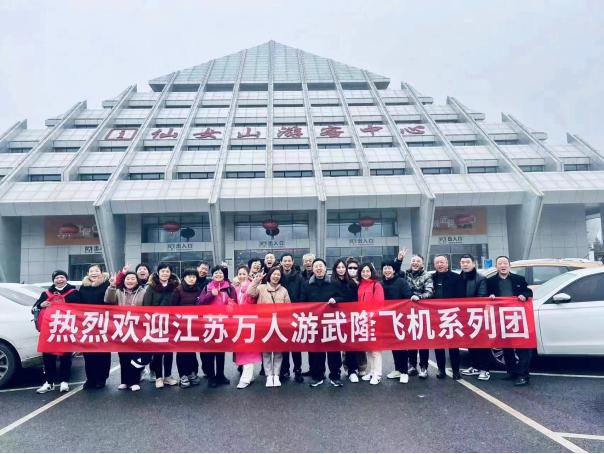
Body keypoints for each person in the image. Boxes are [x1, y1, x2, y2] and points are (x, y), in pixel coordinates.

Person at [486, 256, 533, 386]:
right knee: (506, 346)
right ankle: (512, 372)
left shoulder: (519, 279)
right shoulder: (490, 281)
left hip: (517, 317)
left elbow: (528, 292)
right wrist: (490, 296)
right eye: (500, 263)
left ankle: (523, 375)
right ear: (496, 266)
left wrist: (524, 295)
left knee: (522, 347)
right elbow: (485, 296)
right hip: (500, 318)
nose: (503, 265)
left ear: (509, 265)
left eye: (505, 263)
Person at [34, 270, 81, 394]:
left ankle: (65, 381)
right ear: (53, 280)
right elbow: (35, 307)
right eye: (57, 278)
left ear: (66, 279)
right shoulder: (46, 293)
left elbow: (81, 309)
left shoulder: (74, 293)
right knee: (48, 357)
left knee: (66, 357)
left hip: (66, 330)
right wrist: (41, 304)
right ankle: (49, 382)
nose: (59, 280)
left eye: (62, 277)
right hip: (50, 331)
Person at [300, 258, 344, 387]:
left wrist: (335, 300)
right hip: (315, 323)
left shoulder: (334, 282)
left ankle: (335, 376)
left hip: (331, 323)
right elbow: (302, 301)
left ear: (325, 268)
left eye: (321, 266)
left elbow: (343, 297)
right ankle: (317, 376)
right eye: (316, 266)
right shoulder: (307, 284)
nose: (319, 268)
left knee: (333, 352)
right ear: (312, 269)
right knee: (316, 352)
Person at [247, 267, 291, 387]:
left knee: (278, 352)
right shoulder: (261, 288)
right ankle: (269, 376)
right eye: (274, 274)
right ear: (269, 275)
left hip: (279, 325)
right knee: (266, 352)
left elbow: (289, 307)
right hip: (264, 324)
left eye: (278, 275)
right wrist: (256, 280)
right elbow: (250, 292)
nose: (276, 277)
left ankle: (276, 375)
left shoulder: (284, 290)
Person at [105, 271, 146, 392]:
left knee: (135, 356)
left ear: (137, 281)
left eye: (133, 278)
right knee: (123, 355)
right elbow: (108, 300)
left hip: (137, 328)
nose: (130, 281)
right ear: (124, 281)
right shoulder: (118, 291)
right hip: (121, 327)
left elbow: (148, 307)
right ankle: (124, 381)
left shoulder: (143, 292)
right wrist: (112, 286)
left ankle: (134, 381)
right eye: (128, 278)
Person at [143, 262, 180, 389]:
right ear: (158, 272)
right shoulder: (151, 287)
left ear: (170, 273)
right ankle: (158, 377)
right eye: (163, 271)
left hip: (170, 323)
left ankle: (168, 376)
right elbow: (146, 305)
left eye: (167, 271)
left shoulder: (175, 286)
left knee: (169, 352)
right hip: (156, 323)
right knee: (158, 352)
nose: (165, 273)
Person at [198, 264, 235, 388]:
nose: (218, 275)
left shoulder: (229, 288)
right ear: (212, 275)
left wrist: (232, 305)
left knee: (221, 352)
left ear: (224, 275)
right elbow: (200, 303)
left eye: (220, 273)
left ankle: (220, 375)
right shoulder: (207, 287)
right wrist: (211, 295)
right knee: (209, 352)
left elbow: (235, 302)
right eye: (216, 273)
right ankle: (211, 376)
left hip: (224, 324)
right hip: (209, 324)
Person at [78, 264, 112, 389]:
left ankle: (101, 378)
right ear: (88, 273)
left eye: (97, 270)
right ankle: (90, 379)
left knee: (103, 352)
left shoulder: (107, 284)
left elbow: (111, 301)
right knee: (88, 353)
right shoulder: (84, 287)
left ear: (101, 272)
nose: (94, 273)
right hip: (88, 324)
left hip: (103, 323)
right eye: (91, 271)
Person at [458, 254, 491, 381]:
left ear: (473, 263)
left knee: (482, 343)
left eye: (467, 262)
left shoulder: (481, 278)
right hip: (463, 315)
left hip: (477, 315)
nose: (465, 264)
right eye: (462, 262)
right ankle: (475, 366)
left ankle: (485, 370)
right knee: (470, 342)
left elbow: (482, 297)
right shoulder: (458, 277)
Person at [432, 255, 465, 380]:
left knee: (453, 345)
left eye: (442, 262)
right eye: (437, 263)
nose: (440, 265)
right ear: (434, 265)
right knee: (438, 345)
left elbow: (461, 296)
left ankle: (456, 371)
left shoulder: (456, 277)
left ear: (447, 263)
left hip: (452, 315)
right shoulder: (431, 278)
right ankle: (441, 370)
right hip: (435, 315)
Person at [381, 260, 414, 384]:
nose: (387, 270)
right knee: (394, 345)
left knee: (402, 345)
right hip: (387, 319)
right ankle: (398, 370)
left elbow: (408, 296)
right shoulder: (380, 284)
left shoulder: (401, 282)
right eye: (385, 268)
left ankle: (404, 372)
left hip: (401, 318)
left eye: (389, 268)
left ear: (394, 270)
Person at [402, 254, 434, 379]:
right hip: (408, 312)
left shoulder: (427, 275)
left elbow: (429, 292)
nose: (415, 263)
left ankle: (423, 366)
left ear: (422, 263)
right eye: (413, 261)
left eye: (418, 261)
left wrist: (419, 297)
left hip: (422, 312)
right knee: (411, 340)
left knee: (422, 340)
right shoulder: (405, 275)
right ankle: (412, 365)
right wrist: (399, 260)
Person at [171, 268, 202, 389]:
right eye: (189, 276)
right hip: (181, 326)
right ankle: (183, 375)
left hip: (194, 326)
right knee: (182, 351)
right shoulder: (178, 290)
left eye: (194, 276)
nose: (191, 278)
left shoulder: (199, 290)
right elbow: (172, 308)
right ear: (184, 277)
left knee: (192, 350)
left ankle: (192, 373)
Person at [232, 265, 262, 389]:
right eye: (239, 274)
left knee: (248, 350)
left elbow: (251, 300)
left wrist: (252, 284)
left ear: (248, 274)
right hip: (238, 322)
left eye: (244, 273)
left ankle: (246, 378)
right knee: (242, 349)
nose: (241, 276)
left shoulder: (252, 286)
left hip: (249, 322)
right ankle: (249, 375)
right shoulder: (236, 288)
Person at [330, 259, 360, 382]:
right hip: (335, 319)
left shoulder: (351, 283)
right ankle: (335, 372)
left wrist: (338, 299)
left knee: (350, 346)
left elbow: (352, 299)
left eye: (343, 267)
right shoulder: (331, 282)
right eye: (339, 267)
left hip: (349, 318)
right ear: (335, 269)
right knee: (335, 347)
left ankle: (352, 370)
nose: (341, 269)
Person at [279, 253, 306, 383]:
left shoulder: (299, 277)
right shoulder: (278, 276)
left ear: (293, 262)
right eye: (285, 261)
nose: (287, 263)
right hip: (281, 316)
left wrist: (298, 310)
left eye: (289, 261)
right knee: (283, 344)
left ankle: (297, 370)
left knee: (296, 345)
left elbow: (302, 294)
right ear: (281, 262)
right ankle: (285, 370)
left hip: (295, 315)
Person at [358, 262, 385, 385]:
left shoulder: (376, 285)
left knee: (375, 350)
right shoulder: (360, 285)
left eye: (367, 271)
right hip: (363, 320)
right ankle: (372, 371)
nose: (365, 273)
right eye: (363, 271)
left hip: (374, 321)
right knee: (368, 349)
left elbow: (380, 304)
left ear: (372, 272)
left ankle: (377, 374)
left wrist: (372, 317)